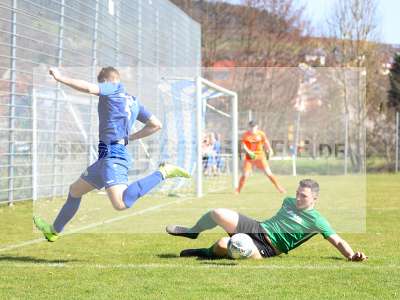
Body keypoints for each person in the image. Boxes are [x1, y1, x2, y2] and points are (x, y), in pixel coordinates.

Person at [33, 66, 190, 242]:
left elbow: (88, 87)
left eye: (102, 85)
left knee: (121, 203)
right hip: (106, 156)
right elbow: (156, 124)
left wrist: (61, 78)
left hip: (113, 156)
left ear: (106, 81)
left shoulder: (113, 88)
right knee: (75, 190)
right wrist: (130, 137)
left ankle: (163, 172)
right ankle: (53, 231)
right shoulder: (134, 101)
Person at [166, 179, 367, 262]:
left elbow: (338, 240)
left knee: (223, 245)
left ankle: (204, 252)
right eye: (297, 193)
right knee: (217, 212)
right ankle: (193, 231)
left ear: (315, 199)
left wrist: (351, 256)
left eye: (303, 196)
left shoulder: (317, 220)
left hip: (268, 247)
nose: (297, 198)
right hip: (257, 226)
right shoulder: (287, 201)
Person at [236, 120, 285, 194]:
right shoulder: (246, 135)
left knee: (268, 173)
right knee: (245, 175)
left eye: (254, 127)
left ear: (257, 127)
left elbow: (266, 142)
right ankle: (238, 190)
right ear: (249, 127)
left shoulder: (261, 134)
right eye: (251, 127)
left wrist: (270, 149)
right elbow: (244, 146)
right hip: (249, 157)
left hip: (260, 156)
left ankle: (279, 188)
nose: (252, 128)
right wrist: (249, 152)